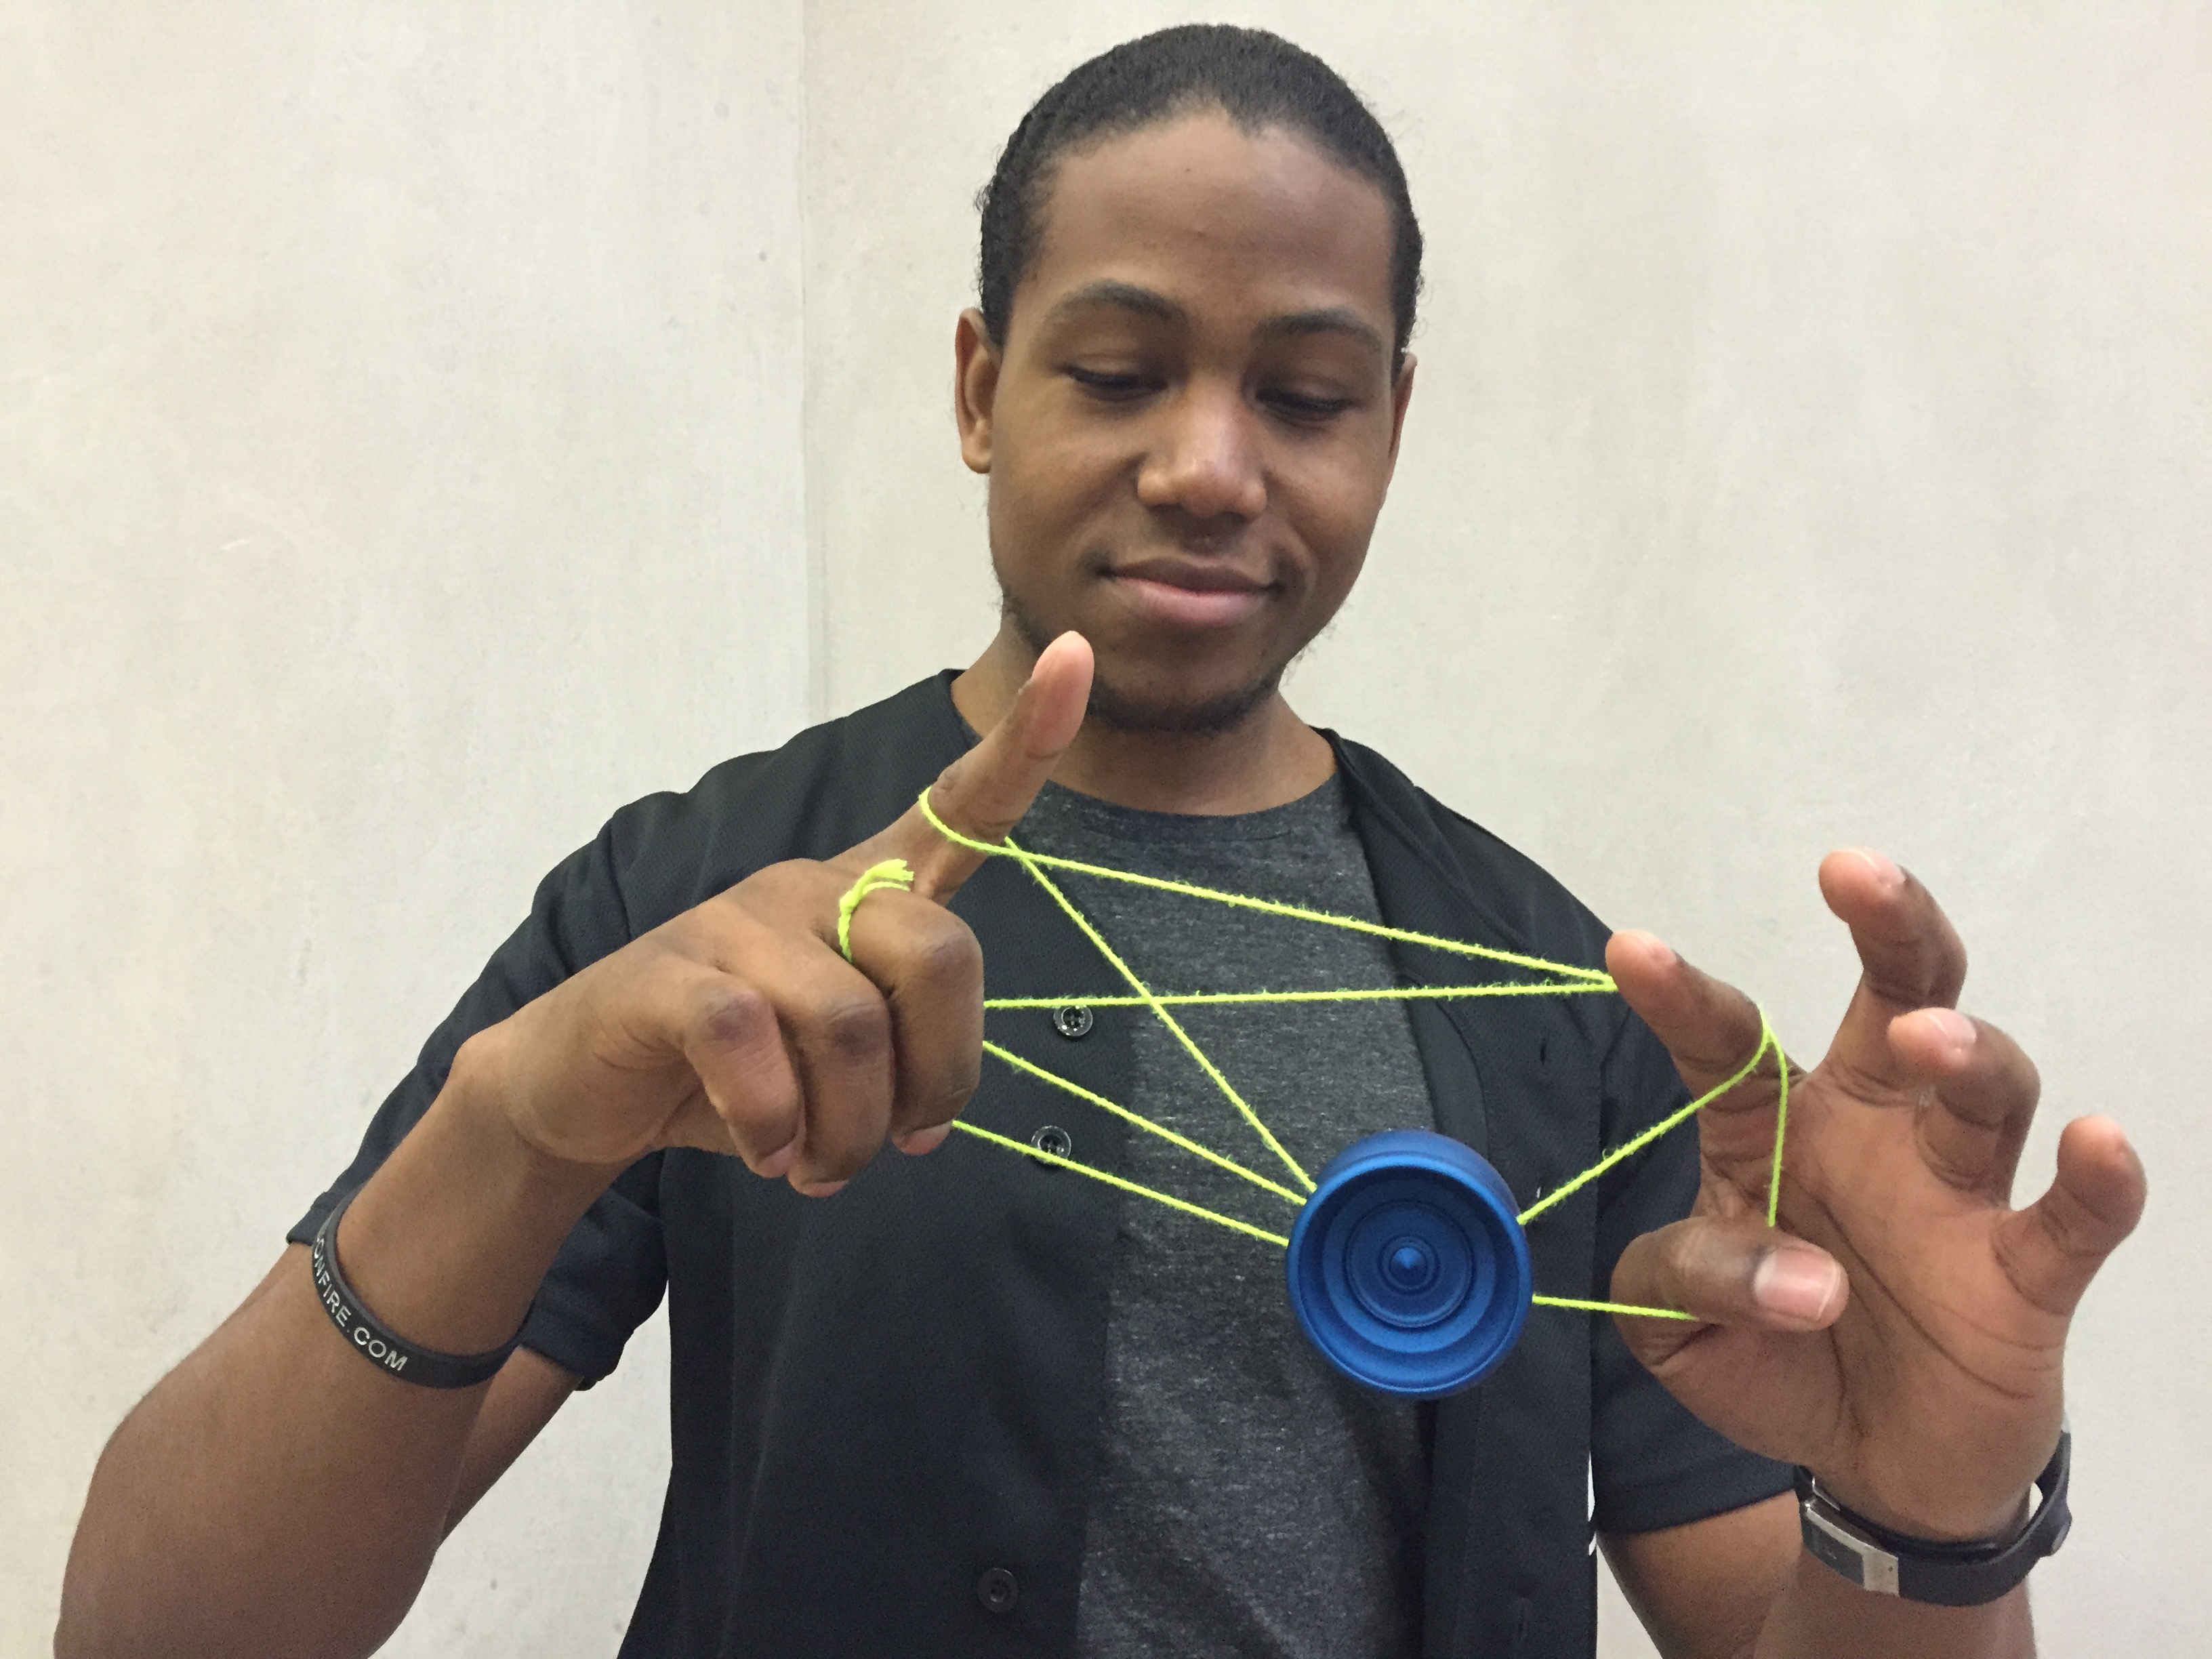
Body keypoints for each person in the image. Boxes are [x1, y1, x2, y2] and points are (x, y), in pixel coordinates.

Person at [57, 25, 2144, 1659]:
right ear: (982, 387)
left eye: (1306, 396)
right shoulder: (697, 906)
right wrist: (510, 1128)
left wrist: (1928, 1511)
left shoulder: (1568, 1011)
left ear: (1393, 427)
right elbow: (159, 1636)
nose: (1210, 466)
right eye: (1123, 369)